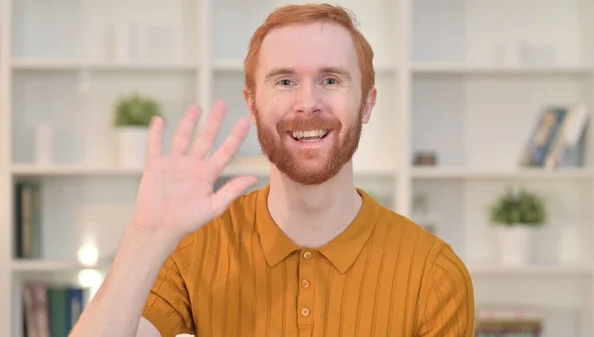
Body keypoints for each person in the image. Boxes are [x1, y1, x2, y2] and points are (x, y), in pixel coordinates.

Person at [70, 3, 474, 337]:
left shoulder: (434, 274)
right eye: (284, 81)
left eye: (330, 80)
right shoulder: (197, 249)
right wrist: (146, 237)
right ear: (252, 104)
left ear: (367, 104)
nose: (307, 103)